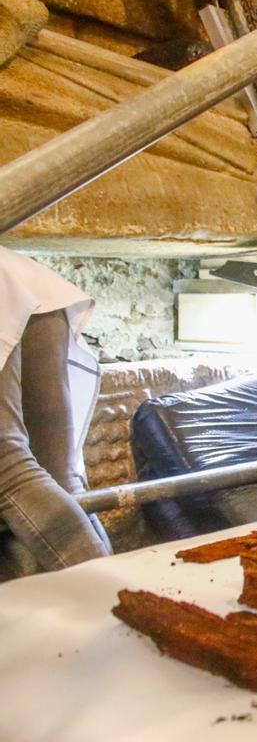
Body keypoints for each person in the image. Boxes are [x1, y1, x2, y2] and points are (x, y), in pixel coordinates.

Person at [0, 247, 111, 578]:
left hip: (16, 286)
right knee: (59, 475)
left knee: (10, 471)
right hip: (22, 278)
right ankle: (117, 587)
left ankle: (109, 598)